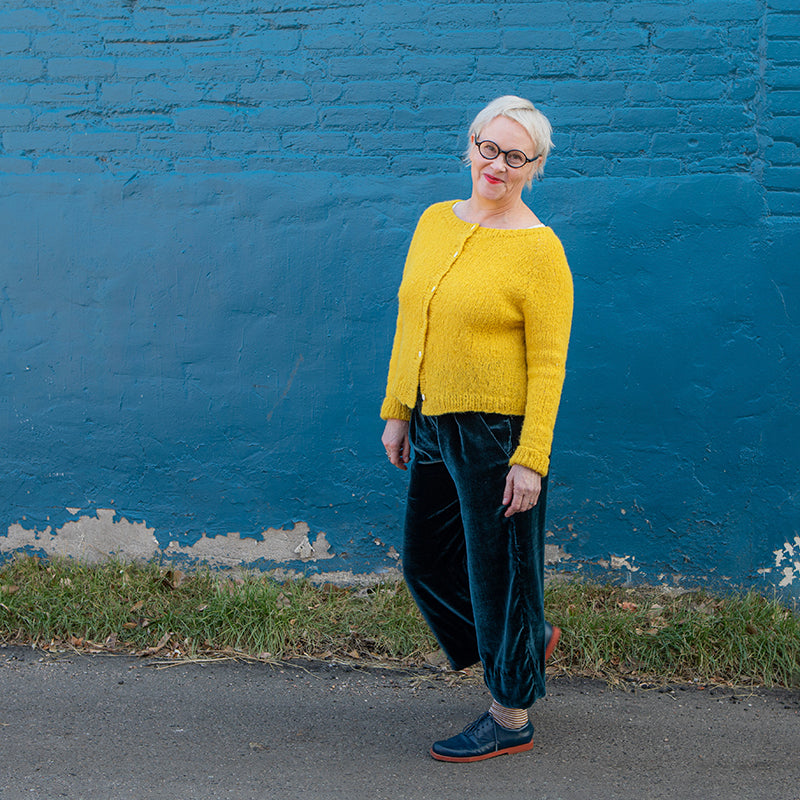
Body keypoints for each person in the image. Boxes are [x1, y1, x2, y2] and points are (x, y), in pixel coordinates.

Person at [380, 95, 573, 762]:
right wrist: (398, 409)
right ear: (469, 146)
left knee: (502, 575)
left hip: (497, 431)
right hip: (432, 418)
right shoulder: (435, 221)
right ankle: (522, 641)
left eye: (514, 155)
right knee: (427, 561)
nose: (496, 164)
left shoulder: (539, 251)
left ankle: (510, 711)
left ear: (535, 166)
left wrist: (532, 457)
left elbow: (549, 364)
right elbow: (413, 319)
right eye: (488, 148)